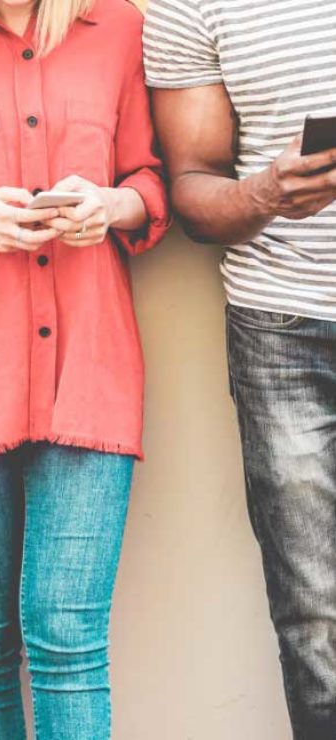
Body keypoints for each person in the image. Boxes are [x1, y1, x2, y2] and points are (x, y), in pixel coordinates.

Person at [0, 0, 170, 736]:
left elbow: (151, 179)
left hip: (90, 367)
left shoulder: (119, 28)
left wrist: (109, 206)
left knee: (69, 640)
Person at [143, 2, 336, 737]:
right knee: (314, 613)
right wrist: (265, 194)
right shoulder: (186, 6)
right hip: (280, 327)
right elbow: (194, 185)